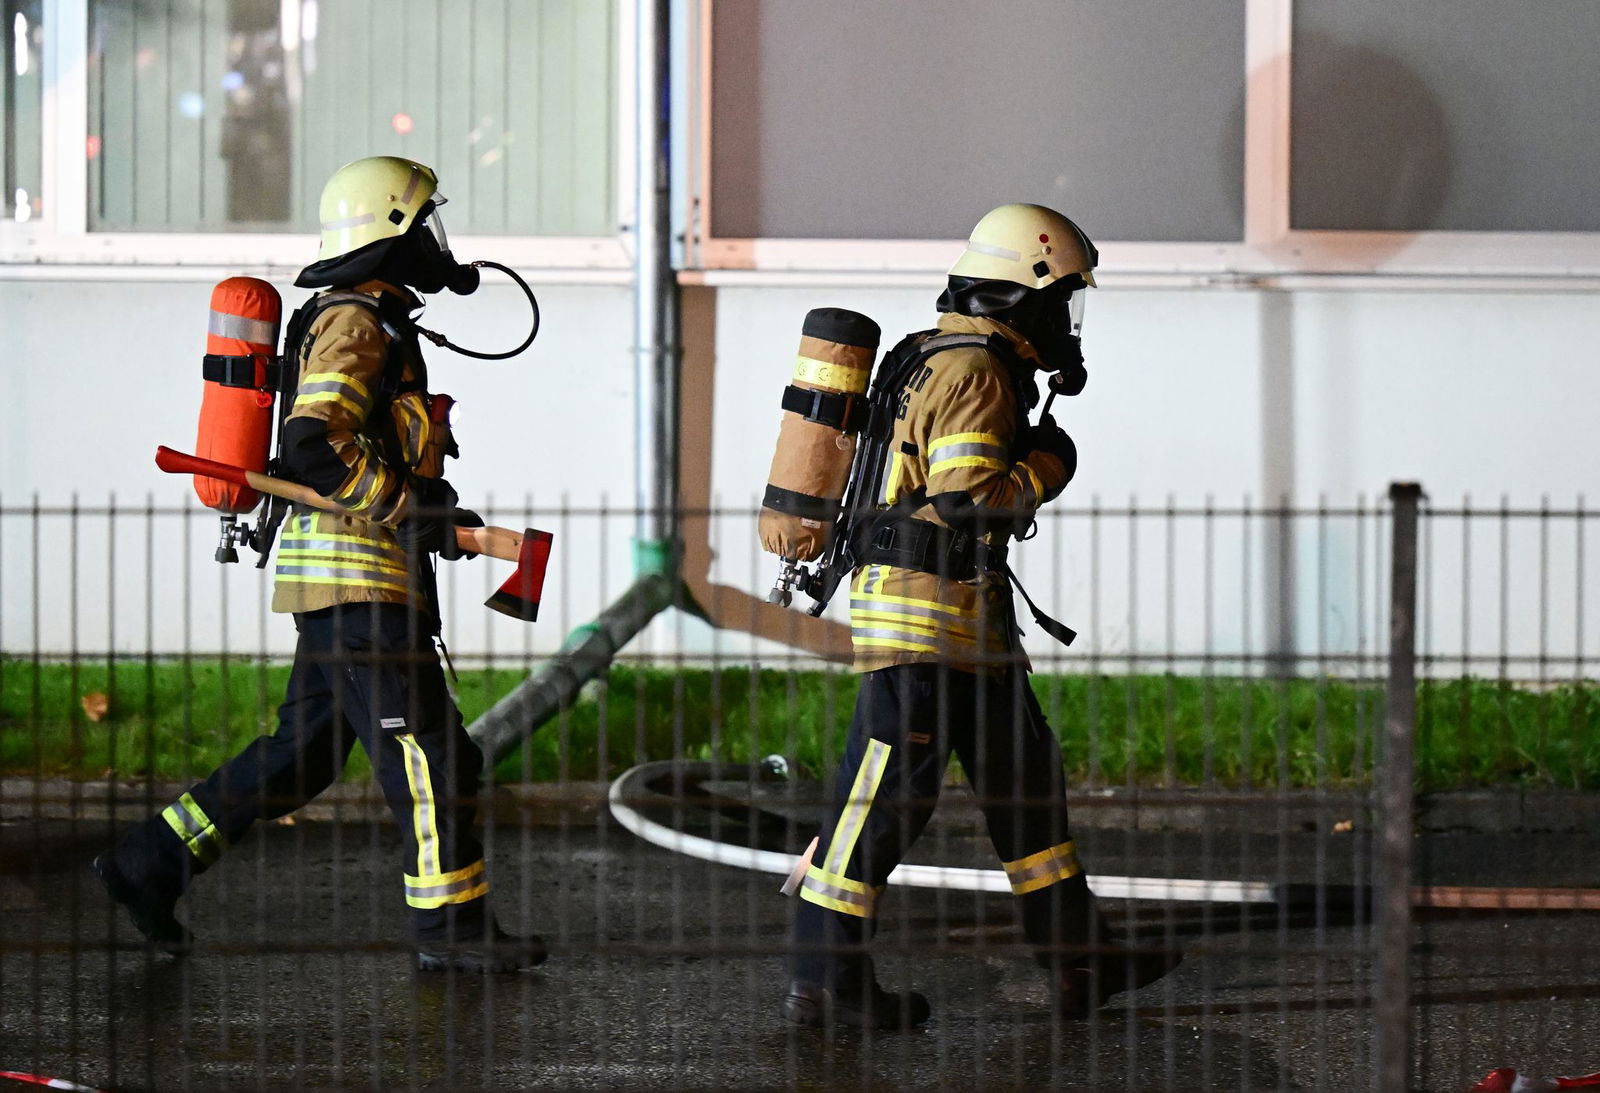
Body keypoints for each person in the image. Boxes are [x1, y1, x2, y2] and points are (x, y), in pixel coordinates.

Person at [94, 156, 545, 973]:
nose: (437, 242)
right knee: (436, 756)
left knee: (299, 757)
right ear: (391, 234)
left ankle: (148, 860)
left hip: (347, 575)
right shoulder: (356, 324)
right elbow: (314, 442)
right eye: (422, 223)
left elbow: (362, 454)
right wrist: (411, 504)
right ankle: (452, 929)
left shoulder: (373, 321)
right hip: (356, 581)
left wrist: (435, 514)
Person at [783, 203, 1180, 1028]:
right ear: (1021, 294)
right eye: (1059, 299)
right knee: (887, 797)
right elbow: (972, 502)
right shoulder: (976, 374)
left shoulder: (939, 356)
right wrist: (1046, 466)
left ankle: (1084, 960)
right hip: (923, 623)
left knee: (1026, 786)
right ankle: (828, 980)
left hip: (968, 621)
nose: (1066, 320)